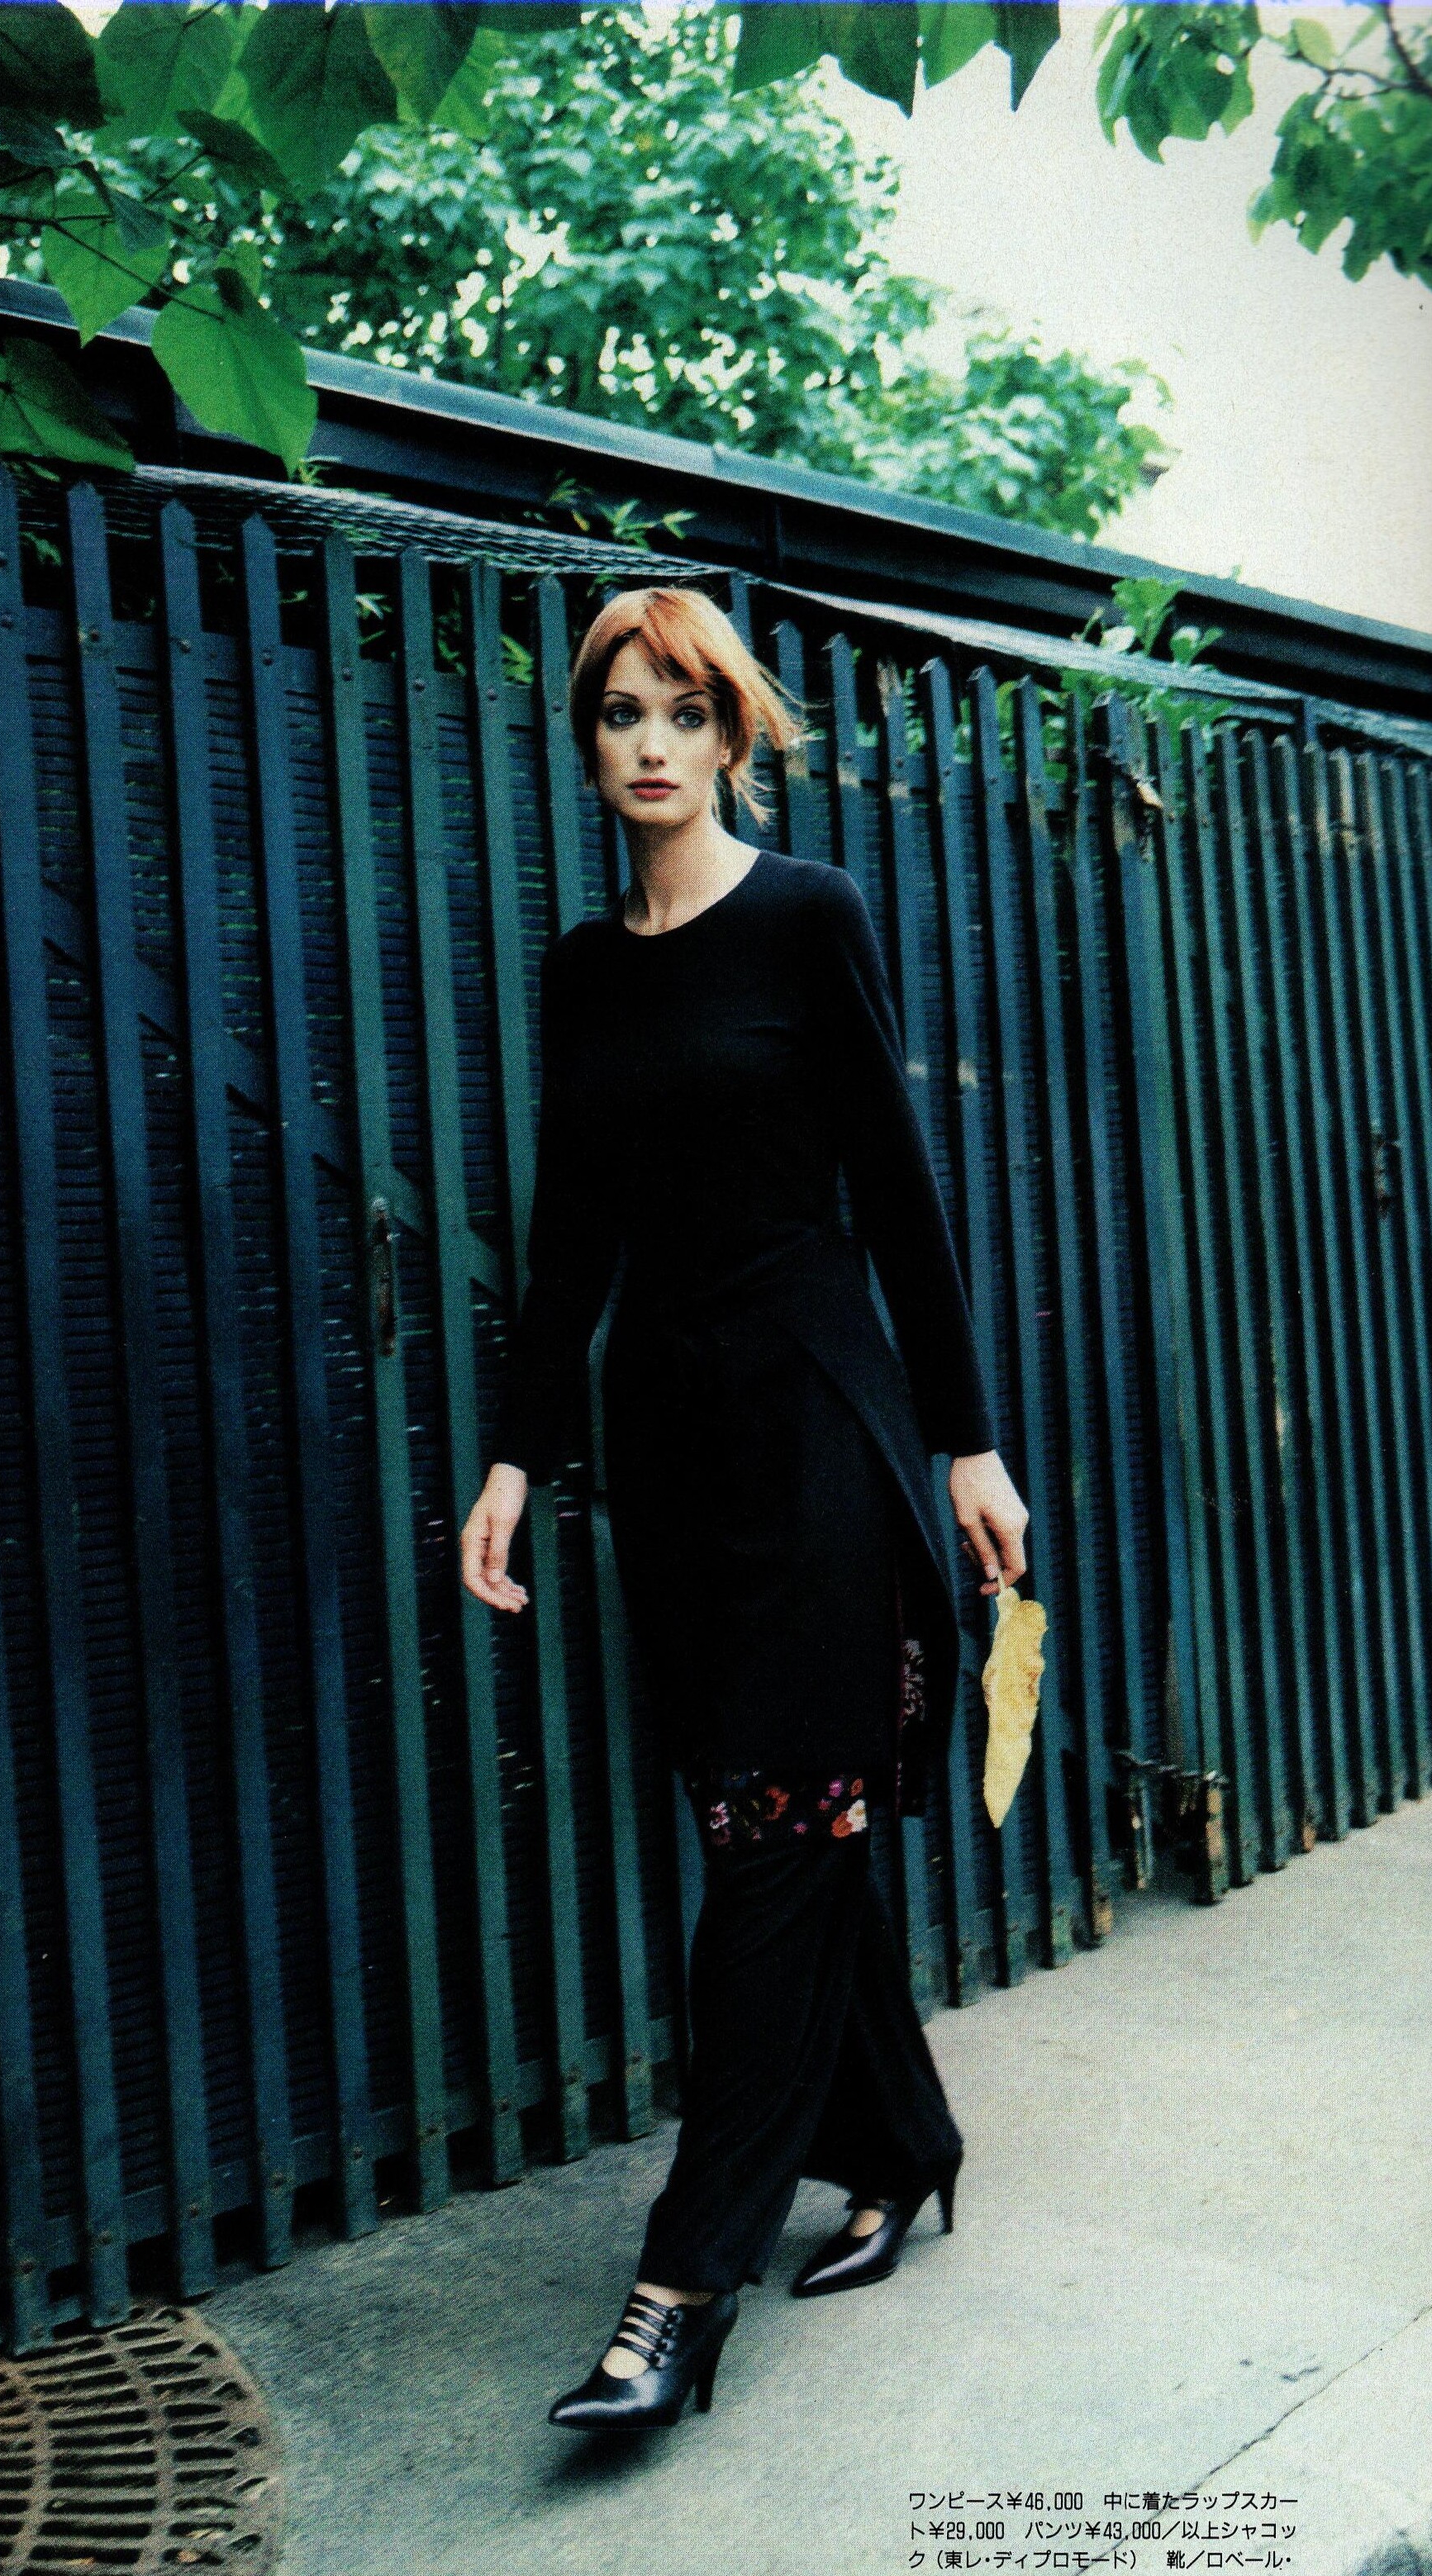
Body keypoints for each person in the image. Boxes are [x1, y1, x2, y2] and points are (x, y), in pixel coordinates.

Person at [458, 587, 1030, 2432]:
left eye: (682, 712)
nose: (649, 742)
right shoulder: (582, 970)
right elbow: (571, 1238)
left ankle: (680, 2288)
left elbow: (900, 1192)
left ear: (732, 736)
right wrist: (514, 1462)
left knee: (783, 1831)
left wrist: (965, 1444)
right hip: (670, 1448)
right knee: (775, 1817)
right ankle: (905, 2144)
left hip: (816, 1429)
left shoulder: (806, 915)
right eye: (619, 711)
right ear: (587, 741)